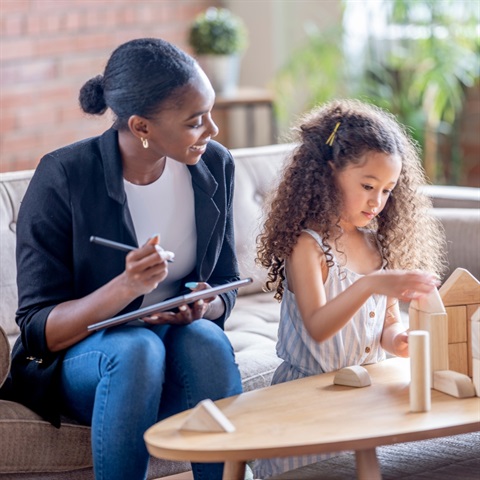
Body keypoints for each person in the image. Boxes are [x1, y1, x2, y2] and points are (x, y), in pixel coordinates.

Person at [6, 38, 244, 480]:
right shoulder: (64, 175)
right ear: (141, 126)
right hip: (85, 361)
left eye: (209, 113)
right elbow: (39, 329)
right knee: (136, 348)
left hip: (174, 342)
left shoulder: (214, 165)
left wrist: (205, 304)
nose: (212, 130)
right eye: (195, 122)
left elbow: (226, 281)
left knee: (208, 343)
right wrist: (127, 287)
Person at [254, 99, 446, 478]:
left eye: (388, 190)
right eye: (368, 185)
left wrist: (398, 340)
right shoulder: (308, 246)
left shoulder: (376, 244)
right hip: (307, 400)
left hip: (364, 397)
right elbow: (319, 326)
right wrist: (373, 283)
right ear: (329, 175)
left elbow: (387, 323)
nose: (377, 201)